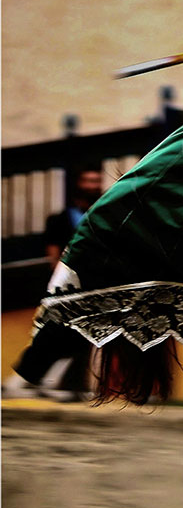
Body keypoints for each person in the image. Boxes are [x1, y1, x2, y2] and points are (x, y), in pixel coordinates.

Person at [3, 166, 104, 401]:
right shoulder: (60, 219)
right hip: (66, 285)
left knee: (81, 336)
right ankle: (25, 380)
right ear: (79, 185)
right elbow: (54, 254)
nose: (93, 186)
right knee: (53, 333)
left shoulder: (100, 216)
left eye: (97, 181)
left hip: (94, 285)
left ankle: (61, 383)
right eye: (89, 180)